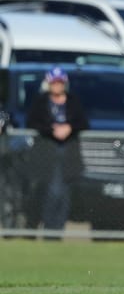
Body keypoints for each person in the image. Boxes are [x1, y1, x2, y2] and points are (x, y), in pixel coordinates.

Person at [25, 66, 88, 233]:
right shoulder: (41, 102)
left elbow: (83, 122)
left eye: (60, 82)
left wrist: (69, 127)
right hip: (48, 152)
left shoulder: (73, 101)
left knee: (64, 194)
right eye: (54, 82)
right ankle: (49, 229)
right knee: (52, 192)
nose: (57, 85)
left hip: (68, 154)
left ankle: (57, 230)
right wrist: (51, 130)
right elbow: (31, 122)